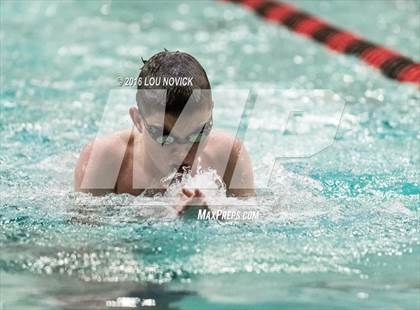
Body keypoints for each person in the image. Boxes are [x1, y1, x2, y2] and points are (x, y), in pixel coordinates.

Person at [74, 50, 254, 215]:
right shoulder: (105, 160)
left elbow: (252, 232)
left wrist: (207, 219)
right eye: (166, 137)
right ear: (138, 120)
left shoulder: (229, 155)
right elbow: (85, 243)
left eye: (198, 134)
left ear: (212, 112)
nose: (184, 152)